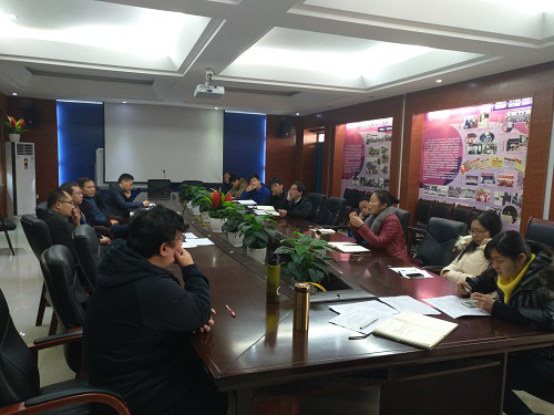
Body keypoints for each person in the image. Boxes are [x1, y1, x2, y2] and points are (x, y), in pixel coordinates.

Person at [84, 206, 227, 415]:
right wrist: (190, 268)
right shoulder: (149, 287)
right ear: (164, 248)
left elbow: (188, 312)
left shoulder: (122, 260)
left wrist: (189, 315)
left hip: (119, 373)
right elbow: (200, 311)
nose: (182, 244)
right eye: (180, 239)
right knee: (216, 397)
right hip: (129, 394)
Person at [456, 232, 554, 415]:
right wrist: (470, 285)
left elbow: (550, 318)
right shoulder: (506, 267)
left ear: (521, 258)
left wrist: (499, 309)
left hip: (544, 359)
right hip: (519, 348)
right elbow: (486, 279)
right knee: (473, 367)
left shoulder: (546, 276)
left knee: (485, 374)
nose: (495, 266)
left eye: (499, 261)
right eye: (493, 260)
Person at [441, 211, 503, 284]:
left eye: (479, 231)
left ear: (492, 231)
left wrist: (451, 275)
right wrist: (450, 273)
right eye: (472, 231)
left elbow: (480, 281)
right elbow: (451, 267)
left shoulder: (494, 253)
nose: (474, 235)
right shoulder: (469, 244)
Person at [349, 190, 409, 261]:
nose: (369, 204)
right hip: (379, 257)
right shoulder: (373, 217)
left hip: (394, 260)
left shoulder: (391, 221)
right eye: (370, 201)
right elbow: (360, 239)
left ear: (383, 206)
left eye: (372, 201)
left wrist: (361, 226)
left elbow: (379, 243)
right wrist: (355, 225)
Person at [41, 189, 83, 262]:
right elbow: (79, 250)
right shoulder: (60, 224)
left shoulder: (48, 217)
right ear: (58, 205)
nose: (73, 207)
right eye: (70, 203)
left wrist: (76, 223)